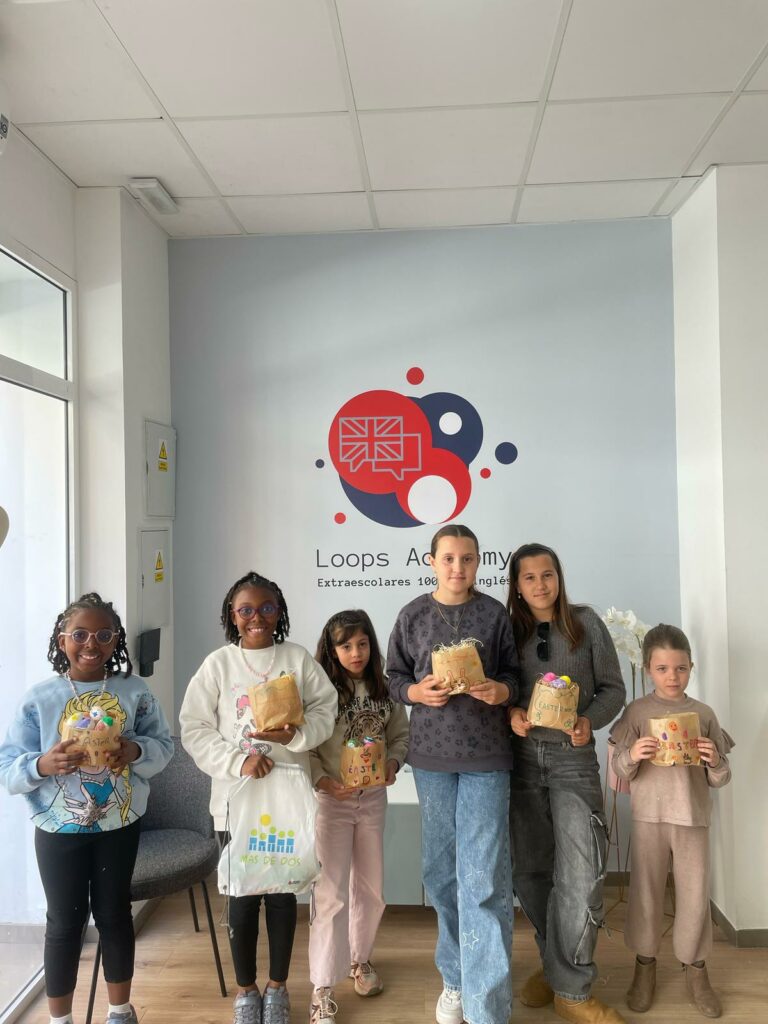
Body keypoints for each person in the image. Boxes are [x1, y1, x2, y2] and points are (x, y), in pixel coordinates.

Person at [0, 593, 173, 1024]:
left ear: (116, 640)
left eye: (103, 634)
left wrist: (134, 751)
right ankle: (60, 1019)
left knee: (114, 915)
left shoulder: (134, 691)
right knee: (63, 922)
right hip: (58, 829)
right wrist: (42, 764)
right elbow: (7, 766)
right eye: (79, 635)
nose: (91, 643)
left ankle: (120, 1011)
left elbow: (163, 747)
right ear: (62, 640)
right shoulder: (39, 699)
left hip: (119, 824)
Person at [179, 571, 337, 1024]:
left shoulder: (297, 659)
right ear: (232, 615)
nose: (257, 618)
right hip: (236, 801)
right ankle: (246, 991)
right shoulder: (218, 665)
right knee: (242, 895)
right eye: (246, 609)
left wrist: (297, 735)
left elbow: (326, 711)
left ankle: (278, 987)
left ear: (279, 612)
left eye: (267, 608)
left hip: (288, 800)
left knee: (284, 895)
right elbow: (194, 727)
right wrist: (239, 761)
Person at [387, 524, 518, 1024]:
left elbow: (514, 677)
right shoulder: (412, 615)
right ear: (432, 561)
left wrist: (501, 691)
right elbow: (393, 677)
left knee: (482, 879)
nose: (458, 568)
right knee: (440, 874)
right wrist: (415, 692)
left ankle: (488, 1006)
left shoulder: (494, 614)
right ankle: (457, 977)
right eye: (448, 558)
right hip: (432, 760)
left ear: (478, 562)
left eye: (467, 559)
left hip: (487, 757)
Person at [506, 543, 626, 1024]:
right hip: (521, 761)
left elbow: (613, 688)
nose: (540, 585)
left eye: (547, 574)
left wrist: (588, 721)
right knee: (531, 871)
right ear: (517, 586)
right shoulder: (507, 630)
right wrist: (511, 712)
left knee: (580, 873)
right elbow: (500, 689)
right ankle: (555, 967)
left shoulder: (586, 624)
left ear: (559, 577)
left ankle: (573, 990)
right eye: (529, 577)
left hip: (573, 760)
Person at [610, 624, 733, 1019]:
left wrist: (714, 760)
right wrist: (634, 754)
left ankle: (696, 971)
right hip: (648, 818)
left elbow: (721, 778)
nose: (672, 677)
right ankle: (644, 966)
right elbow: (620, 768)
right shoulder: (637, 712)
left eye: (680, 668)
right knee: (645, 893)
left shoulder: (704, 714)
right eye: (662, 669)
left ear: (691, 667)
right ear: (648, 669)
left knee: (695, 896)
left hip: (692, 818)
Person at [307, 609, 409, 1024]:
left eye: (362, 643)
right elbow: (306, 748)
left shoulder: (384, 688)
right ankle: (322, 987)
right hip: (331, 802)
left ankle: (360, 960)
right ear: (331, 651)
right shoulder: (319, 692)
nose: (356, 653)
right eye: (346, 645)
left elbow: (400, 735)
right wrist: (324, 782)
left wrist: (394, 764)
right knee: (330, 893)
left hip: (373, 799)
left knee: (370, 887)